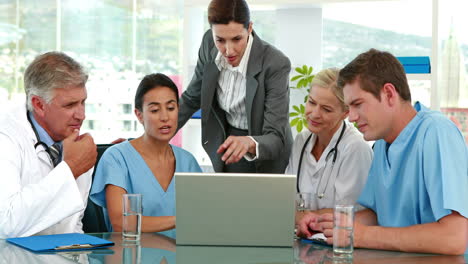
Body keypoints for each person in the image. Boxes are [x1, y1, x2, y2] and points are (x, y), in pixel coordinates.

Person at [298, 49, 468, 255]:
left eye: (357, 105)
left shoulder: (436, 132)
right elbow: (376, 214)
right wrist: (327, 224)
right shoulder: (381, 144)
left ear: (388, 94)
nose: (350, 117)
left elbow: (454, 238)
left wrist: (361, 236)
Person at [178, 0, 293, 173]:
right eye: (220, 40)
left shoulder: (275, 64)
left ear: (250, 28)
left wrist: (249, 142)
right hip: (228, 142)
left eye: (237, 39)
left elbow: (275, 137)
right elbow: (192, 98)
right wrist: (154, 133)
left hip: (265, 152)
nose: (229, 50)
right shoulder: (208, 43)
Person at [0, 52, 97, 238]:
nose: (81, 115)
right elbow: (6, 223)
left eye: (83, 102)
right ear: (39, 105)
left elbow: (73, 226)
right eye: (70, 105)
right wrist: (71, 168)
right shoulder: (6, 139)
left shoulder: (76, 142)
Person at [90, 73, 202, 233]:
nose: (165, 117)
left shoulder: (188, 162)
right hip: (132, 255)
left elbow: (203, 219)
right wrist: (180, 220)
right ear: (139, 115)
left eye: (171, 108)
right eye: (155, 110)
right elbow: (121, 223)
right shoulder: (116, 157)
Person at [285, 68, 372, 222]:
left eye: (326, 109)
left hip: (339, 240)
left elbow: (346, 213)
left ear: (345, 112)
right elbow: (286, 201)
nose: (315, 113)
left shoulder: (355, 148)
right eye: (311, 102)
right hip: (303, 237)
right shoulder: (301, 141)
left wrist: (301, 216)